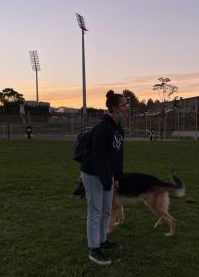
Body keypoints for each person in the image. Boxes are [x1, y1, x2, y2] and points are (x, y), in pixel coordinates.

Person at [80, 90, 127, 266]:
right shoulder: (102, 127)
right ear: (114, 108)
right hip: (93, 173)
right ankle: (94, 249)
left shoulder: (119, 128)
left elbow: (118, 155)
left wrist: (117, 177)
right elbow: (98, 157)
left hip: (108, 174)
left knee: (107, 210)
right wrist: (106, 178)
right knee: (95, 210)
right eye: (123, 106)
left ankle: (102, 240)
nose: (126, 109)